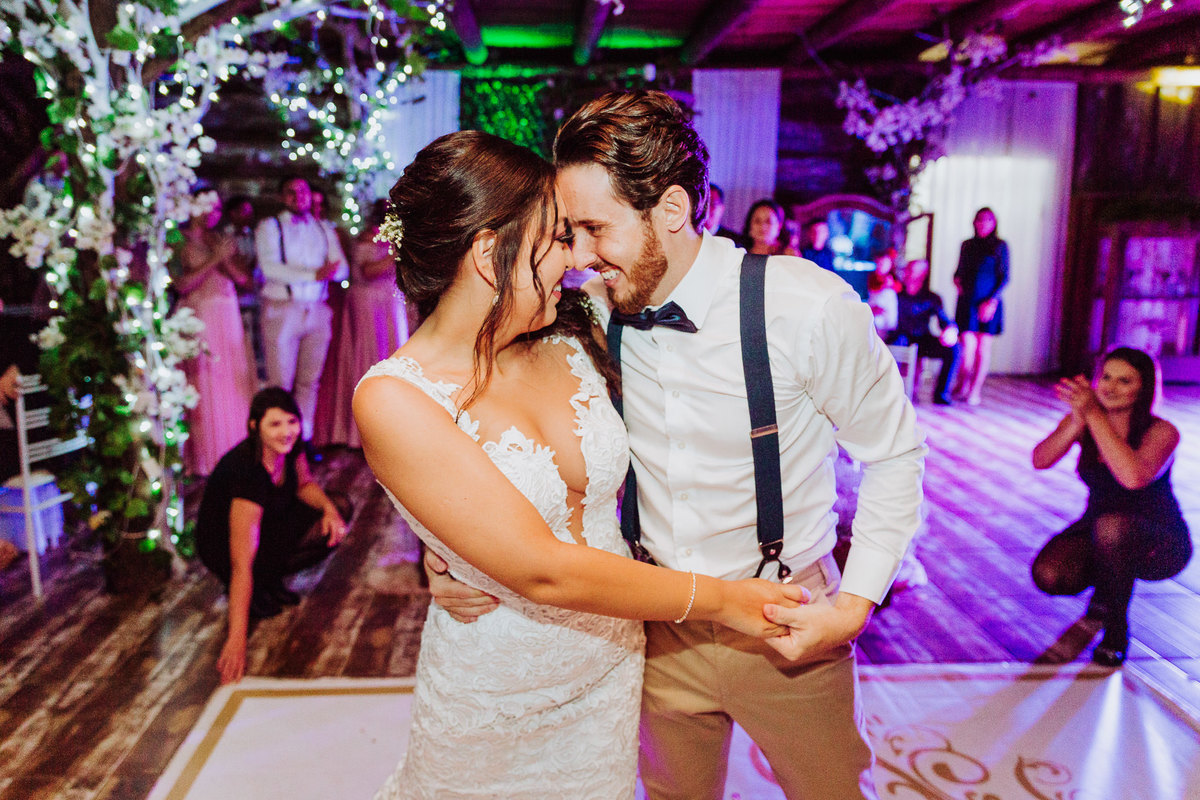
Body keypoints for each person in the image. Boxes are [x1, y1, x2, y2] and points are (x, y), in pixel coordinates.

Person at [432, 91, 926, 800]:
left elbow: (895, 451)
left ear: (670, 210)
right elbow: (506, 425)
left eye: (595, 229)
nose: (577, 256)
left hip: (788, 623)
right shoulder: (589, 313)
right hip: (656, 620)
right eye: (568, 232)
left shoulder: (805, 307)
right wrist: (448, 544)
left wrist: (855, 603)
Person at [353, 130, 807, 800]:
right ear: (488, 253)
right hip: (494, 697)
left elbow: (676, 265)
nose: (574, 258)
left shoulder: (576, 323)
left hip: (610, 677)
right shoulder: (394, 399)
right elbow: (541, 566)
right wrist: (722, 600)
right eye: (557, 239)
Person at [1031, 347, 1190, 667]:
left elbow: (1132, 477)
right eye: (1106, 377)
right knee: (1049, 575)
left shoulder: (1162, 431)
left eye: (1125, 380)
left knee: (1113, 528)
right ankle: (1106, 590)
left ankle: (1116, 630)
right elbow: (1040, 460)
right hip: (1098, 523)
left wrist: (1093, 416)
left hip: (1158, 538)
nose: (1111, 387)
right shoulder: (1087, 419)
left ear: (1144, 388)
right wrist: (1078, 422)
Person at [196, 387, 350, 684]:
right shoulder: (248, 473)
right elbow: (241, 561)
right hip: (223, 546)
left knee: (338, 510)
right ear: (255, 426)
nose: (286, 432)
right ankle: (256, 587)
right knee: (248, 567)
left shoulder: (290, 448)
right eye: (275, 424)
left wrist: (329, 509)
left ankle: (267, 580)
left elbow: (304, 484)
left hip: (267, 521)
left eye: (292, 422)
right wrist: (237, 640)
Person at [254, 177, 349, 444]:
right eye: (291, 192)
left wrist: (327, 273)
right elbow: (270, 268)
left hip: (317, 309)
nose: (299, 197)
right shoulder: (270, 227)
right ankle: (276, 440)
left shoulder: (322, 228)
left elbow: (341, 268)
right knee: (281, 382)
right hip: (283, 309)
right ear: (281, 197)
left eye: (303, 191)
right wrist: (314, 274)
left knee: (309, 380)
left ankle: (302, 440)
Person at [176, 192, 254, 476]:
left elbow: (245, 280)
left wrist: (224, 258)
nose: (213, 211)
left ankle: (235, 452)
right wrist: (214, 259)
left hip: (228, 314)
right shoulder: (178, 240)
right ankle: (205, 458)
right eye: (207, 204)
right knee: (205, 384)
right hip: (200, 316)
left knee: (232, 384)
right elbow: (182, 284)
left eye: (218, 207)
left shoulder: (220, 240)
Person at [322, 200, 409, 448]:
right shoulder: (365, 239)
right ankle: (361, 432)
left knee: (393, 358)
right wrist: (393, 254)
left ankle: (391, 426)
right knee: (369, 358)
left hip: (390, 303)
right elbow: (366, 272)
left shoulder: (393, 238)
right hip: (368, 305)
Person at [953, 207, 1008, 405]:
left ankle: (974, 390)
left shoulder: (1000, 246)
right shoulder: (967, 245)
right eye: (979, 220)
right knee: (967, 347)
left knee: (982, 349)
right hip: (967, 302)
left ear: (993, 223)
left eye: (986, 220)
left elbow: (1004, 277)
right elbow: (958, 271)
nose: (982, 224)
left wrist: (991, 301)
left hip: (989, 303)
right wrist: (958, 282)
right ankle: (962, 384)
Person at [888, 259, 960, 406]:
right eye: (907, 269)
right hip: (900, 337)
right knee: (897, 343)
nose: (907, 273)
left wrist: (950, 330)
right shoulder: (895, 294)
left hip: (921, 339)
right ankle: (890, 392)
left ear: (922, 274)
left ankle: (941, 394)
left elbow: (944, 320)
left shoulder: (932, 298)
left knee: (954, 348)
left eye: (911, 270)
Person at [867, 249, 900, 337]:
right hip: (877, 305)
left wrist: (892, 284)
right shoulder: (873, 277)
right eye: (880, 263)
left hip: (888, 307)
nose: (882, 266)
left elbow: (899, 288)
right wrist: (883, 285)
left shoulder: (892, 277)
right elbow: (873, 288)